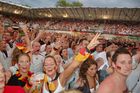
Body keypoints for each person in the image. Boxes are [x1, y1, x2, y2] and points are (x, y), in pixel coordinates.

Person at [29, 33, 101, 93]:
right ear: (44, 68)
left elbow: (74, 65)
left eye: (51, 64)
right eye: (46, 65)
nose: (49, 66)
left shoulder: (61, 78)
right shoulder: (38, 78)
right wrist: (31, 86)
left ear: (56, 67)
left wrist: (87, 48)